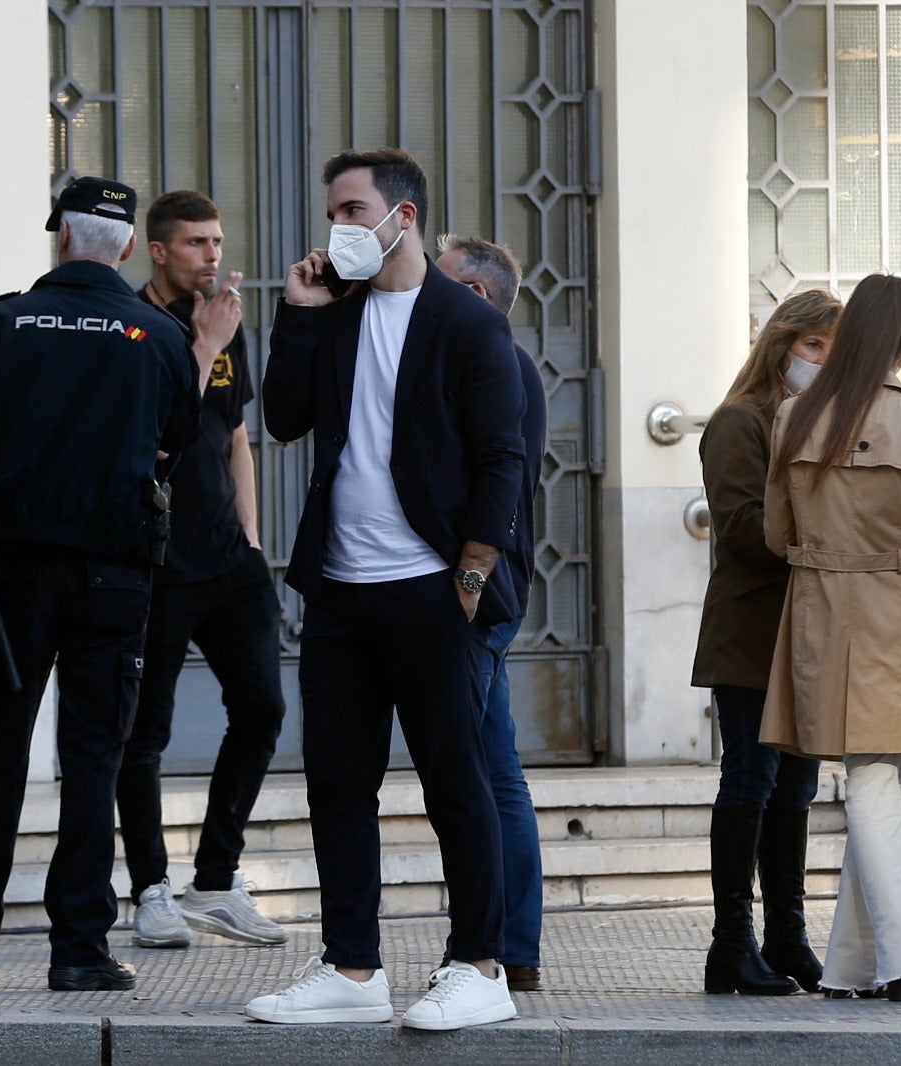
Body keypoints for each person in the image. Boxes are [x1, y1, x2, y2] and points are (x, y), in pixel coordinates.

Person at [245, 148, 525, 1031]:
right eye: (335, 210)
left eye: (354, 209)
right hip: (340, 588)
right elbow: (284, 418)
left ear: (402, 218)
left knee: (457, 781)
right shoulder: (338, 312)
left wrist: (473, 572)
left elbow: (502, 460)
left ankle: (480, 966)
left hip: (432, 590)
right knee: (337, 782)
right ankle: (353, 968)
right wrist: (296, 315)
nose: (340, 227)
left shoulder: (467, 324)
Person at [0, 176, 204, 993]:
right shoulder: (159, 334)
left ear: (61, 238)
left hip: (12, 579)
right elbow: (183, 434)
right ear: (130, 248)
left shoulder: (1, 323)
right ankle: (78, 949)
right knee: (93, 759)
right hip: (114, 579)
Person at [761, 274, 901, 1002]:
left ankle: (854, 966)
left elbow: (775, 534)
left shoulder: (794, 417)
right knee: (877, 780)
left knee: (875, 782)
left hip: (827, 609)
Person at [116, 190, 288, 949]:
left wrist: (252, 535)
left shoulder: (224, 317)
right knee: (142, 733)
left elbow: (236, 436)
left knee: (262, 711)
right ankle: (151, 889)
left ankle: (216, 878)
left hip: (228, 561)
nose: (212, 256)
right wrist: (207, 347)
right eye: (195, 244)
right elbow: (153, 427)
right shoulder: (132, 328)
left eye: (216, 241)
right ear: (158, 251)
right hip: (153, 565)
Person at [692, 288, 841, 995]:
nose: (824, 361)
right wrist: (827, 530)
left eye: (837, 351)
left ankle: (788, 935)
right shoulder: (739, 419)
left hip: (807, 631)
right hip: (752, 629)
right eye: (816, 347)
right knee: (750, 780)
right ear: (782, 343)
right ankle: (732, 941)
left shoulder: (827, 421)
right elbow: (744, 526)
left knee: (797, 788)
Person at [434, 233, 548, 991]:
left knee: (480, 772)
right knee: (492, 766)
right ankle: (509, 943)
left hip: (475, 595)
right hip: (487, 593)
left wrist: (469, 584)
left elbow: (491, 485)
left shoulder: (492, 362)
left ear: (473, 295)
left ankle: (499, 944)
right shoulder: (502, 361)